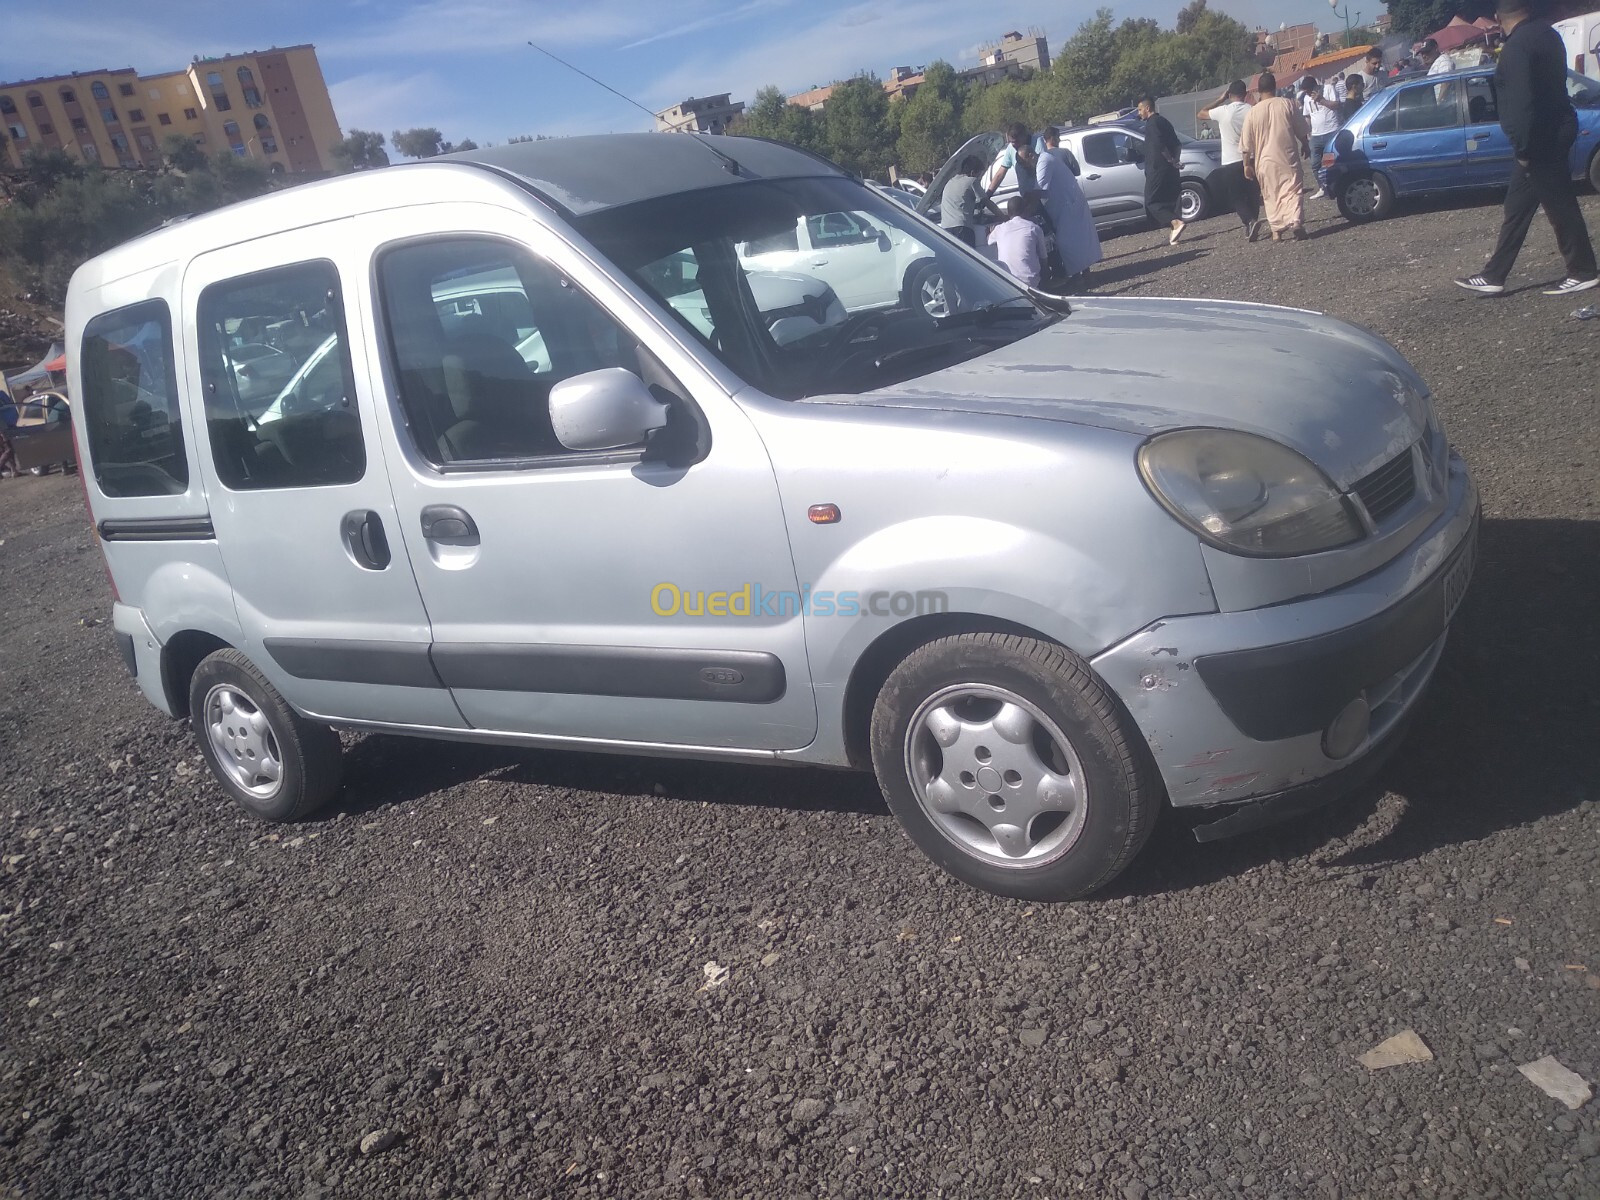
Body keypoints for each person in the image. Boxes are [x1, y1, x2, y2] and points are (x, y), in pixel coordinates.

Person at [1455, 0, 1597, 297]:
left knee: (1559, 203)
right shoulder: (1548, 34)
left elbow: (1521, 101)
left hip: (1538, 138)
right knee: (1517, 207)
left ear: (1498, 18)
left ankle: (1583, 270)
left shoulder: (1517, 47)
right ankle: (1495, 275)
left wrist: (1522, 146)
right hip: (1555, 126)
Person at [1239, 71, 1312, 241]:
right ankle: (1295, 222)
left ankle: (1276, 231)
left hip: (1264, 161)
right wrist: (1306, 145)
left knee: (1270, 194)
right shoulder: (1287, 104)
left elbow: (1246, 144)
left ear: (1258, 90)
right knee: (1293, 190)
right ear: (1275, 86)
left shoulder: (1252, 112)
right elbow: (1301, 129)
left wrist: (1246, 165)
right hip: (1287, 156)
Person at [1198, 79, 1264, 240]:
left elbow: (1201, 113)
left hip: (1230, 160)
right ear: (1245, 93)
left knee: (1236, 196)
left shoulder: (1224, 110)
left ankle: (1249, 220)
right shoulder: (1252, 110)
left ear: (1229, 94)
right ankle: (1252, 221)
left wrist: (1220, 99)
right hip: (1252, 157)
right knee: (1253, 192)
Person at [1033, 132, 1102, 280]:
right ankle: (1083, 273)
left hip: (1067, 206)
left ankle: (1078, 276)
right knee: (1078, 240)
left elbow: (1040, 188)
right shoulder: (1061, 154)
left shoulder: (1044, 161)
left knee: (1068, 242)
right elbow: (1075, 170)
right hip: (1068, 203)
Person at [1136, 95, 1186, 245]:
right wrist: (1175, 161)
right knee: (1170, 199)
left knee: (1151, 201)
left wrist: (1170, 159)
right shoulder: (1164, 121)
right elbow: (1177, 144)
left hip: (1157, 168)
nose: (1139, 113)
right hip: (1170, 169)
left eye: (1140, 109)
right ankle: (1175, 233)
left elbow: (1159, 144)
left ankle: (1176, 222)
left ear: (1147, 108)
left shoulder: (1152, 124)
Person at [988, 196, 1047, 287]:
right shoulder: (1034, 228)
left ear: (1008, 212)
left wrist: (989, 233)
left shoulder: (1000, 229)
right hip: (1030, 283)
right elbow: (1044, 258)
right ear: (1025, 210)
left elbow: (989, 240)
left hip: (1008, 281)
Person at [1299, 75, 1340, 197]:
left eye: (1309, 90)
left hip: (1330, 131)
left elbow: (1336, 105)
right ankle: (1322, 187)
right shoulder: (1306, 99)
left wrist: (1321, 100)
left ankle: (1333, 188)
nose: (1307, 93)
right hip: (1316, 135)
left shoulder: (1328, 88)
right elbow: (1307, 116)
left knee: (1329, 163)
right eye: (1305, 91)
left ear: (1315, 87)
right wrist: (1307, 134)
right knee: (1315, 164)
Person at [983, 123, 1035, 206]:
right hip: (1026, 198)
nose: (1014, 145)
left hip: (1041, 196)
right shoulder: (1011, 148)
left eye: (1016, 142)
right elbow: (1000, 174)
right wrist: (988, 194)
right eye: (1011, 142)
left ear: (1024, 136)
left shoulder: (1037, 142)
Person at [940, 155, 986, 247]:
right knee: (969, 259)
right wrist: (1002, 216)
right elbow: (987, 202)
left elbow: (961, 202)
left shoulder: (950, 182)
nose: (979, 178)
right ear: (973, 172)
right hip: (962, 229)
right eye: (979, 175)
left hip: (945, 229)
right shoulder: (972, 181)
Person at [1420, 37, 1458, 101]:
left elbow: (1446, 83)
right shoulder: (1437, 62)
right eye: (1422, 53)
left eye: (1427, 52)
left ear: (1436, 49)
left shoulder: (1444, 61)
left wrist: (1439, 104)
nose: (1424, 56)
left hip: (1445, 107)